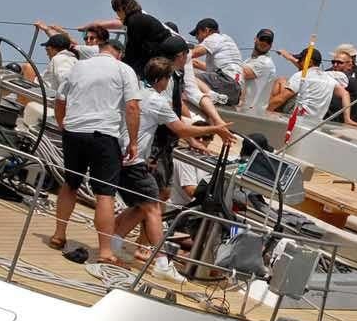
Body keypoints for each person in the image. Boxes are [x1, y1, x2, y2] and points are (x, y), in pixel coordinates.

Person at [109, 57, 233, 279]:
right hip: (133, 161)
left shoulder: (134, 92)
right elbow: (181, 130)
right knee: (154, 207)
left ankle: (113, 243)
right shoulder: (157, 101)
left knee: (141, 206)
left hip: (119, 155)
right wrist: (218, 128)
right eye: (168, 79)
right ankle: (162, 263)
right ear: (162, 79)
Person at [45, 36, 141, 264]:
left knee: (70, 183)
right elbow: (132, 106)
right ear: (119, 53)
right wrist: (134, 141)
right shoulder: (124, 70)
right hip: (104, 134)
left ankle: (59, 235)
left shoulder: (78, 67)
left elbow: (60, 99)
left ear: (100, 50)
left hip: (74, 131)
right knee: (105, 193)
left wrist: (62, 123)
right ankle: (106, 251)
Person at [81, 0, 175, 77]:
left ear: (122, 8)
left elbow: (133, 50)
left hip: (163, 62)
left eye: (117, 11)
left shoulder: (134, 21)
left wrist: (120, 66)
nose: (117, 14)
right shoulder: (138, 18)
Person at [268, 46, 354, 131]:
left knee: (281, 81)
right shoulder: (329, 78)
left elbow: (281, 99)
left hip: (296, 119)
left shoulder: (301, 75)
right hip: (314, 124)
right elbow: (345, 94)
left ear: (309, 62)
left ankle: (270, 115)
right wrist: (347, 119)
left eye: (301, 60)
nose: (299, 62)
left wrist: (264, 111)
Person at [18, 33, 79, 132]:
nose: (47, 54)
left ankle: (17, 109)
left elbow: (65, 80)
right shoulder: (74, 60)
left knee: (27, 67)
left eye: (48, 50)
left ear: (54, 49)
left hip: (44, 97)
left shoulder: (60, 59)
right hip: (46, 94)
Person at [190, 17, 244, 106]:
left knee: (186, 78)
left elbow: (193, 53)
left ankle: (211, 95)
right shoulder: (225, 40)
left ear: (206, 30)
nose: (196, 38)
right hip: (235, 91)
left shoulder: (214, 37)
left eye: (197, 33)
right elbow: (197, 63)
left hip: (225, 81)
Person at [327, 43, 357, 125]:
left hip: (343, 122)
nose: (335, 64)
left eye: (339, 62)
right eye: (334, 61)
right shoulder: (332, 71)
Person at [241, 28, 277, 113]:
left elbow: (239, 73)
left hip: (252, 114)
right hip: (243, 111)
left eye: (268, 41)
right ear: (255, 39)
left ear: (271, 45)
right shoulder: (248, 61)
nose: (264, 43)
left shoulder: (265, 62)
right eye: (262, 39)